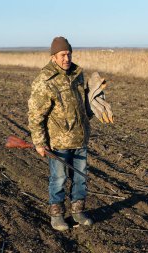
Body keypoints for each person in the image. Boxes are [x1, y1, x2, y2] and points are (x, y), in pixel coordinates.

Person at [28, 36, 93, 231]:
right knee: (59, 178)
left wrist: (95, 103)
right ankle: (56, 215)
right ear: (53, 56)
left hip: (80, 137)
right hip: (58, 141)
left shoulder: (77, 74)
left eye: (69, 54)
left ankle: (78, 211)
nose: (67, 58)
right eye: (63, 55)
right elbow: (35, 114)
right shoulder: (45, 80)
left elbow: (81, 106)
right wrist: (39, 142)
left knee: (80, 177)